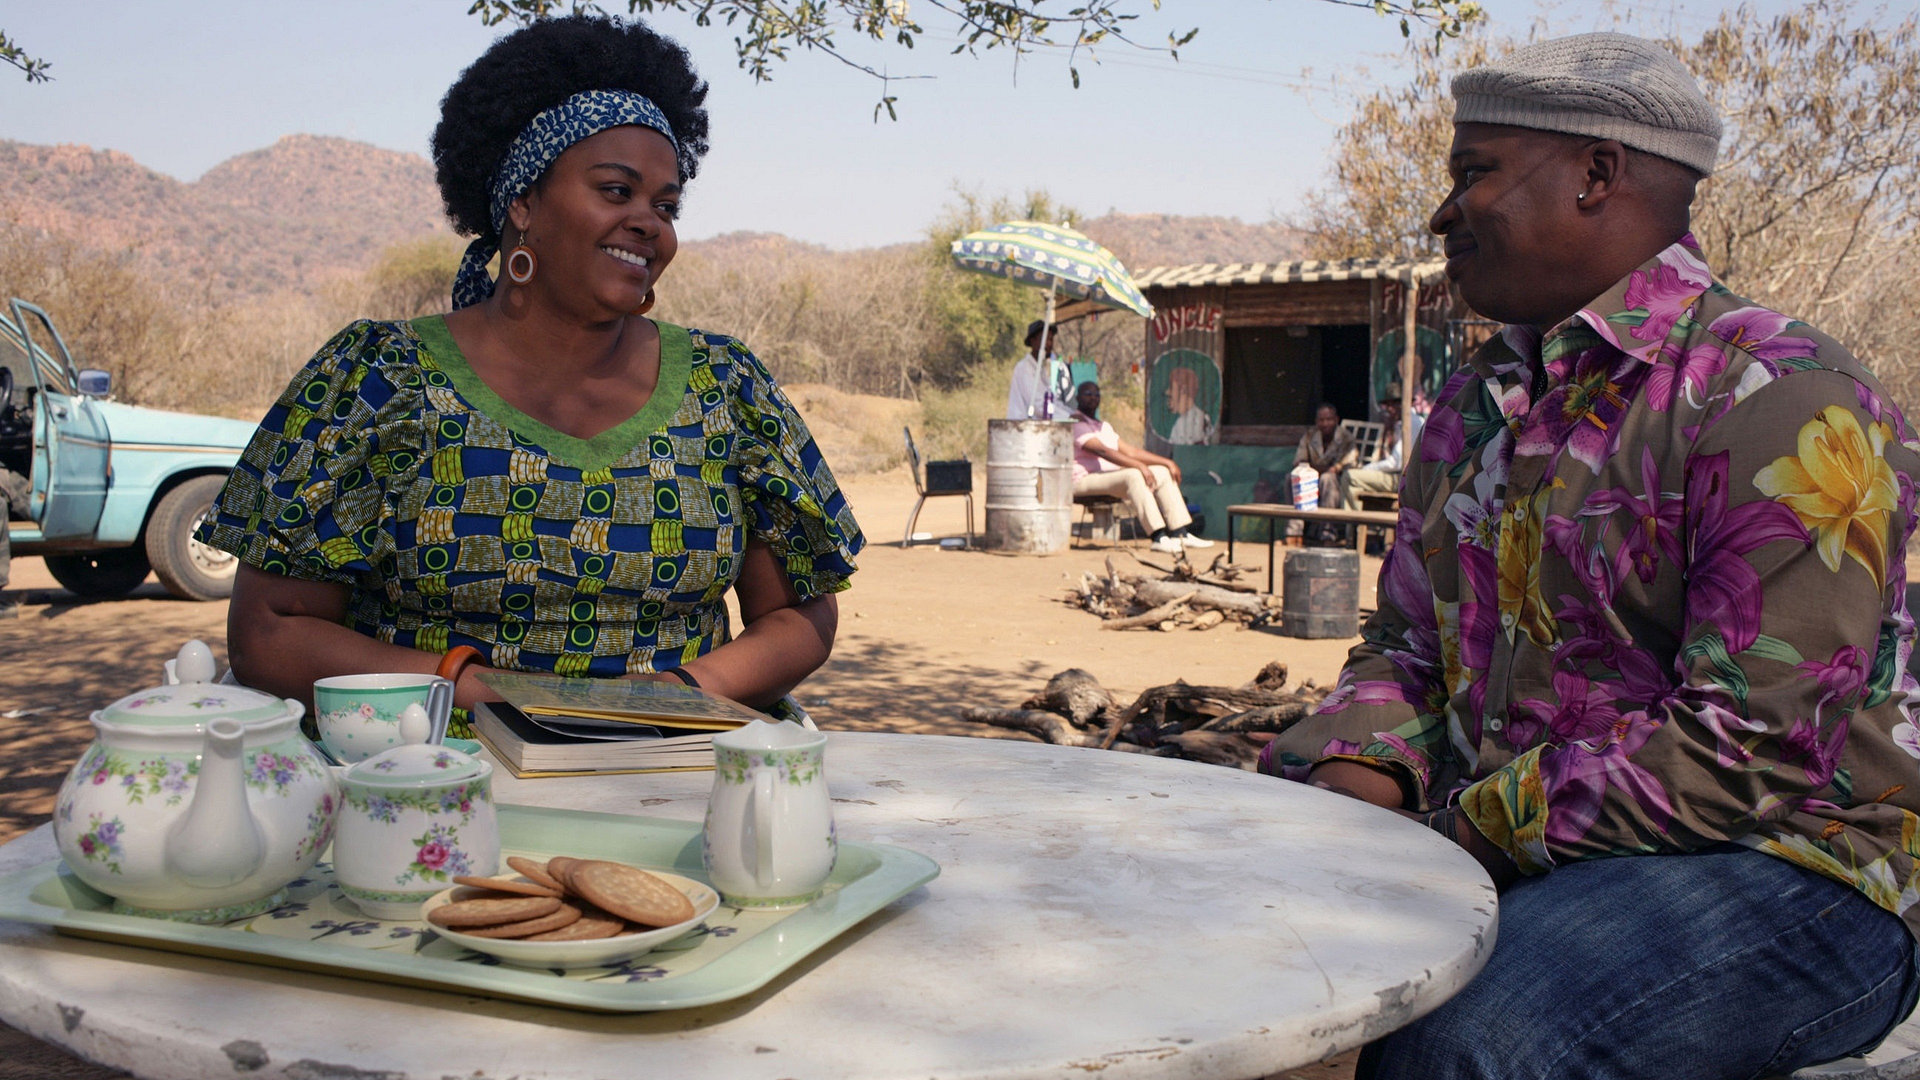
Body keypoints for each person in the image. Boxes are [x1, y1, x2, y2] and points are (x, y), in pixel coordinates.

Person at [1261, 32, 1920, 1080]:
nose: (1442, 213)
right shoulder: (1480, 404)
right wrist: (1362, 766)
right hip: (1525, 844)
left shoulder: (1781, 395)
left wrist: (1458, 831)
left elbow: (1753, 748)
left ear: (1596, 174)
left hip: (1793, 866)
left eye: (1473, 173)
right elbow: (1403, 645)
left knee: (1476, 1043)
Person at [197, 15, 862, 723]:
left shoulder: (726, 386)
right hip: (436, 782)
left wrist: (674, 697)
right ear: (523, 200)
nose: (650, 222)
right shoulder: (380, 378)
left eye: (666, 205)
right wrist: (484, 694)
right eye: (616, 191)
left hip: (674, 771)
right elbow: (270, 632)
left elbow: (798, 614)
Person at [1069, 381, 1211, 554]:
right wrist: (1140, 466)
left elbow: (1131, 451)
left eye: (1096, 394)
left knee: (1162, 473)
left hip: (1109, 477)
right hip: (1083, 480)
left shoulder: (1103, 426)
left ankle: (1180, 534)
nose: (1093, 398)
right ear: (1078, 397)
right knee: (1134, 475)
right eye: (1088, 394)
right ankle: (1158, 537)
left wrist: (1167, 462)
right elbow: (1102, 451)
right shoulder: (1075, 422)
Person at [1337, 382, 1423, 510]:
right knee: (1354, 483)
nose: (1389, 409)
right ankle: (1357, 523)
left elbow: (1395, 462)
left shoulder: (1411, 422)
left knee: (1349, 476)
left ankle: (1357, 521)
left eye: (1392, 405)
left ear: (1401, 404)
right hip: (1400, 476)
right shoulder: (1401, 423)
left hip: (1403, 479)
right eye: (1387, 405)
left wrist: (1367, 468)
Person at [1292, 402, 1355, 543]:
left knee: (1328, 478)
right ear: (1316, 421)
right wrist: (1315, 471)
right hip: (1311, 479)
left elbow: (1345, 465)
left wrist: (1318, 469)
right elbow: (1299, 462)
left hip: (1337, 484)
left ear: (1336, 420)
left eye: (1329, 419)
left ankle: (1328, 530)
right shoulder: (1309, 436)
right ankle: (1294, 531)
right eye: (1321, 420)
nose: (1325, 423)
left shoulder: (1346, 437)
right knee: (1292, 478)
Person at [1005, 319, 1073, 422]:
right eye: (1045, 339)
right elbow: (1037, 404)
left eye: (1050, 339)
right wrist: (1067, 417)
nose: (1049, 344)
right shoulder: (1024, 367)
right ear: (1033, 341)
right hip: (1021, 429)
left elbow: (1052, 401)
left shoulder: (1041, 370)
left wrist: (1072, 413)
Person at [1163, 365, 1213, 445]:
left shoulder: (1200, 419)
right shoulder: (1179, 423)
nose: (1168, 392)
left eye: (1172, 388)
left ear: (1183, 390)